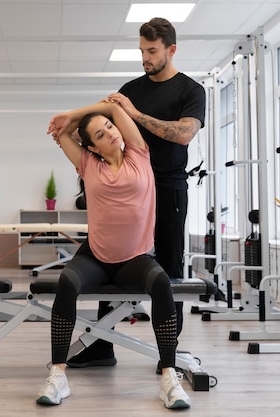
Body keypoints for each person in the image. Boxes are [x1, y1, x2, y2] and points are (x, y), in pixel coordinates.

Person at [66, 17, 206, 371]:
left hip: (168, 187)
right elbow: (103, 114)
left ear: (171, 50)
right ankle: (100, 346)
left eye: (152, 51)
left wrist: (135, 114)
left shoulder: (190, 91)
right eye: (142, 50)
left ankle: (167, 354)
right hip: (124, 187)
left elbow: (184, 134)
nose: (145, 57)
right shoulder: (131, 87)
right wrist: (71, 115)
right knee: (112, 261)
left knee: (169, 270)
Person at [36, 100, 191, 409]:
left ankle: (169, 377)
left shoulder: (139, 153)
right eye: (101, 134)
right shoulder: (88, 164)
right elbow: (60, 134)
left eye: (108, 127)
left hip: (134, 258)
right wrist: (65, 126)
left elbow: (114, 105)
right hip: (95, 257)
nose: (110, 132)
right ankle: (58, 374)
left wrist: (75, 114)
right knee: (66, 282)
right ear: (91, 147)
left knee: (161, 284)